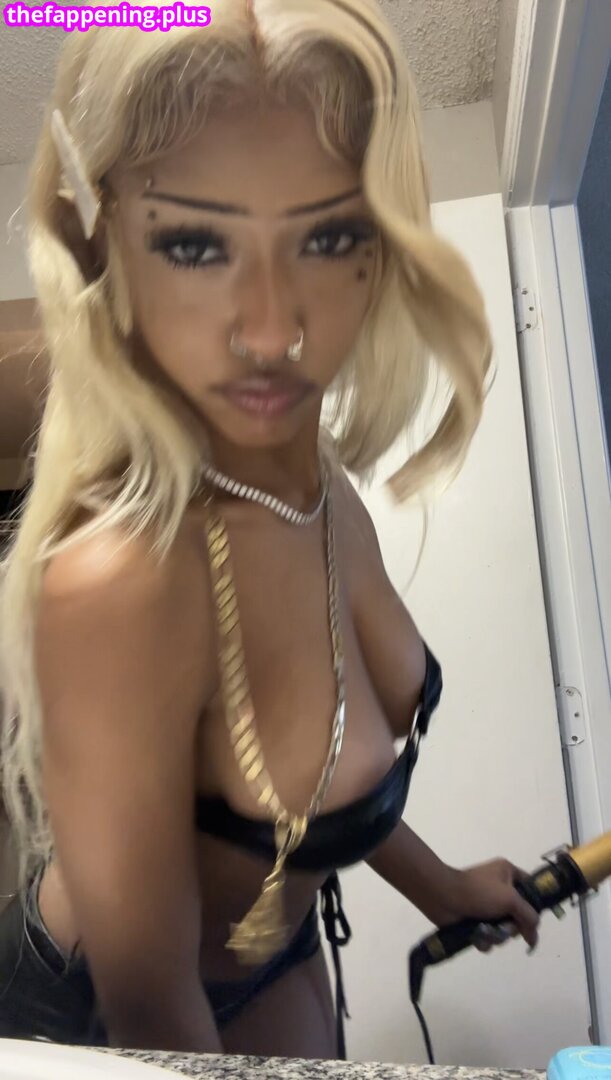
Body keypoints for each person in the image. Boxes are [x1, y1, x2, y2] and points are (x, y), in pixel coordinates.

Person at [0, 0, 540, 1060]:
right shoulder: (121, 581)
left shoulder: (318, 490)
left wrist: (439, 887)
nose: (271, 328)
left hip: (271, 951)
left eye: (326, 236)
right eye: (195, 243)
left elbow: (322, 765)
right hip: (100, 1012)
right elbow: (156, 1012)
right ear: (108, 243)